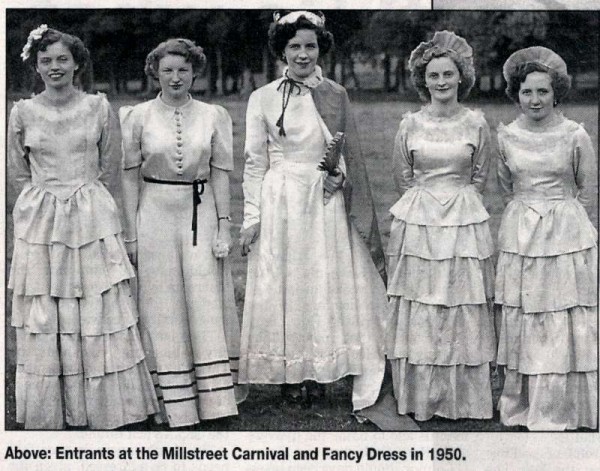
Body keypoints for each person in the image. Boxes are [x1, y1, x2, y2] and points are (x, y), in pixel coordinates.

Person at [7, 25, 158, 429]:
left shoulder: (98, 107)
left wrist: (108, 221)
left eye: (62, 60)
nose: (54, 67)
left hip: (92, 215)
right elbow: (17, 175)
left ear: (76, 64)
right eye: (46, 61)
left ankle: (104, 406)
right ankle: (52, 407)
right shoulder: (21, 112)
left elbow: (110, 171)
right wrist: (39, 208)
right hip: (41, 220)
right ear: (35, 67)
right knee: (46, 309)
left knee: (97, 303)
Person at [239, 10, 387, 410]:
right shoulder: (264, 97)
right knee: (284, 282)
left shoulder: (335, 94)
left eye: (310, 46)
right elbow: (255, 161)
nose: (303, 54)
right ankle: (289, 374)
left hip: (323, 199)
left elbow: (345, 150)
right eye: (295, 46)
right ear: (282, 50)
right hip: (281, 197)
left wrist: (339, 176)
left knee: (322, 281)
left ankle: (320, 373)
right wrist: (252, 217)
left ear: (321, 48)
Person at [120, 38, 246, 428]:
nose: (176, 78)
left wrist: (224, 225)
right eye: (168, 70)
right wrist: (131, 234)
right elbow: (127, 177)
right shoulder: (136, 115)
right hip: (154, 211)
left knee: (205, 296)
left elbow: (223, 173)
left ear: (195, 73)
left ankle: (214, 402)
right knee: (160, 301)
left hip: (200, 211)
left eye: (183, 70)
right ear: (154, 73)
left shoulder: (213, 115)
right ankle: (171, 402)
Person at [386, 31, 496, 421]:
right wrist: (426, 204)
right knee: (423, 301)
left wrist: (460, 201)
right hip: (420, 218)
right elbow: (403, 176)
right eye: (434, 75)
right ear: (423, 80)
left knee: (461, 300)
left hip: (463, 218)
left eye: (448, 74)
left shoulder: (476, 123)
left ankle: (462, 398)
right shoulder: (410, 124)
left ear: (461, 77)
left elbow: (481, 175)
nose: (442, 82)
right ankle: (423, 396)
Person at [495, 47, 598, 430]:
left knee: (561, 314)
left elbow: (587, 188)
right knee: (526, 314)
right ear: (516, 95)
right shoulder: (506, 136)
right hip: (522, 231)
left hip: (564, 232)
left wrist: (568, 225)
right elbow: (506, 187)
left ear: (556, 93)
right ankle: (522, 403)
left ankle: (562, 405)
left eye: (542, 91)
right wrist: (528, 215)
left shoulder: (574, 134)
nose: (535, 100)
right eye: (527, 92)